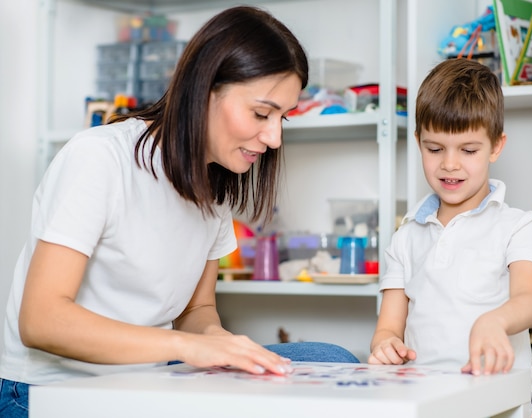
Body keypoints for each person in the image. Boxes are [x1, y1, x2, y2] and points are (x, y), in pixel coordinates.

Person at [0, 6, 358, 417]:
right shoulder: (99, 157)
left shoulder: (215, 184)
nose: (274, 137)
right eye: (261, 113)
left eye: (283, 117)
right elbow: (41, 321)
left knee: (331, 357)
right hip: (51, 389)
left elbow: (196, 310)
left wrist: (219, 344)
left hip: (148, 375)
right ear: (203, 89)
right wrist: (187, 347)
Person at [368, 59, 532, 416]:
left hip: (497, 401)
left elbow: (529, 301)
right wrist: (386, 344)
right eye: (435, 149)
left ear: (496, 147)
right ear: (418, 142)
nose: (449, 164)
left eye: (468, 151)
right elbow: (388, 326)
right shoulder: (406, 236)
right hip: (426, 399)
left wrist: (494, 320)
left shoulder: (520, 225)